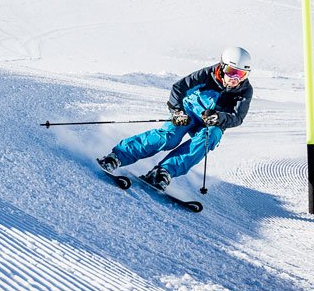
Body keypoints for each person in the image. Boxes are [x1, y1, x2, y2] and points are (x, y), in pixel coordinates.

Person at [98, 47, 253, 190]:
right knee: (169, 137)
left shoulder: (245, 90)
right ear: (222, 66)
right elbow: (179, 87)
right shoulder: (207, 75)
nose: (235, 79)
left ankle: (163, 172)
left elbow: (237, 117)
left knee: (210, 136)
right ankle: (117, 156)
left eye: (241, 74)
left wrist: (219, 117)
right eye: (232, 71)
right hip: (190, 112)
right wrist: (177, 111)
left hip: (211, 123)